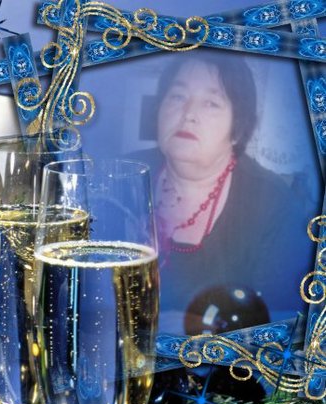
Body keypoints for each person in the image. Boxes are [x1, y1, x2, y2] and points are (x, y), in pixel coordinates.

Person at [134, 50, 317, 332]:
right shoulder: (123, 176)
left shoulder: (273, 204)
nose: (188, 114)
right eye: (178, 96)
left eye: (211, 103)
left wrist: (198, 331)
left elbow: (290, 322)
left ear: (238, 129)